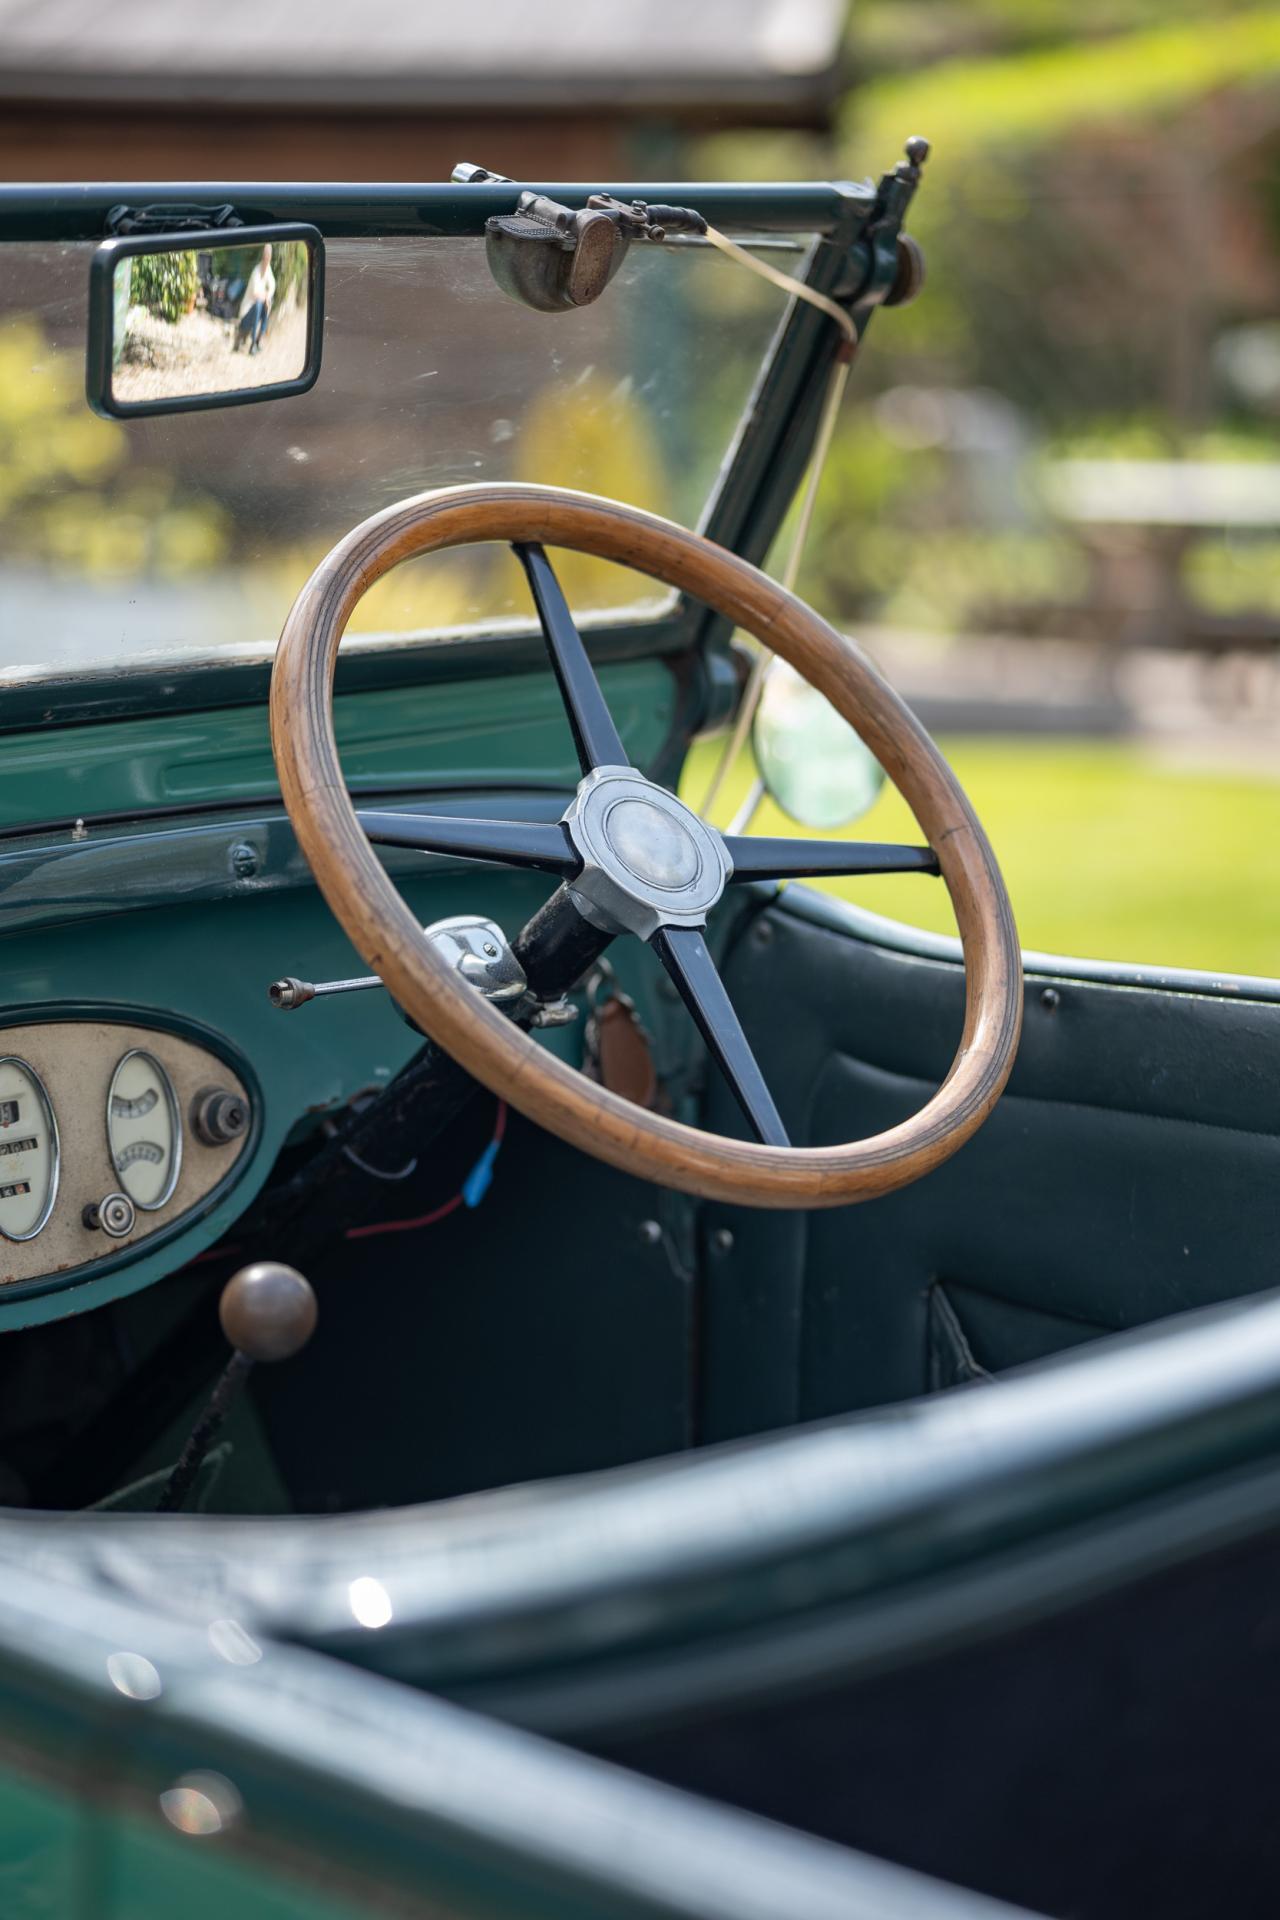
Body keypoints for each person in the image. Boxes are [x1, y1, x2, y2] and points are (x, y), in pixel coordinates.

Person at [236, 244, 275, 355]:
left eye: (269, 255)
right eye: (266, 255)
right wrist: (265, 298)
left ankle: (258, 341)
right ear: (263, 256)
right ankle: (252, 343)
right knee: (259, 304)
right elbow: (254, 293)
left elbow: (272, 285)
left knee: (267, 303)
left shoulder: (268, 270)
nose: (267, 257)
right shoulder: (256, 271)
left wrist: (267, 298)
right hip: (246, 314)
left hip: (257, 310)